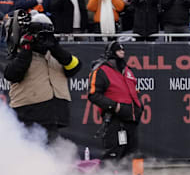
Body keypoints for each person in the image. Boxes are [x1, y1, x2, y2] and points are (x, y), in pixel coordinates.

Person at [3, 10, 82, 143]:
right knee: (32, 153)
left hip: (54, 113)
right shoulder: (20, 53)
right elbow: (12, 74)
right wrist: (26, 48)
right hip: (29, 113)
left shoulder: (56, 55)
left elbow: (75, 67)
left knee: (52, 155)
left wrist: (55, 47)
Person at [88, 42, 143, 163]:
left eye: (123, 50)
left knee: (133, 157)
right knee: (113, 156)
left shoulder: (127, 71)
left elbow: (133, 92)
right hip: (115, 120)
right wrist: (115, 107)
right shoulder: (101, 70)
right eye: (119, 51)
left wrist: (139, 106)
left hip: (131, 121)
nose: (122, 52)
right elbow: (93, 94)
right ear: (111, 53)